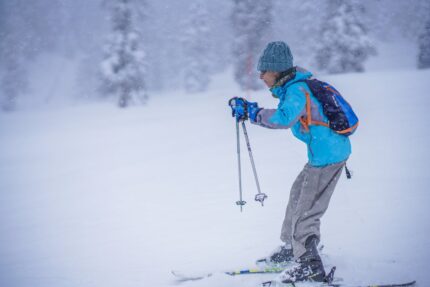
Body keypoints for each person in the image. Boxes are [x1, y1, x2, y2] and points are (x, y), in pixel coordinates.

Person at [229, 41, 352, 283]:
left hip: (328, 157)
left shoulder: (297, 90)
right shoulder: (294, 88)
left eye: (264, 71)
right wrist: (253, 111)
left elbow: (283, 118)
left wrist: (252, 113)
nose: (261, 75)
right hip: (322, 156)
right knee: (298, 196)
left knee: (307, 210)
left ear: (276, 70)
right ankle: (291, 249)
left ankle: (309, 263)